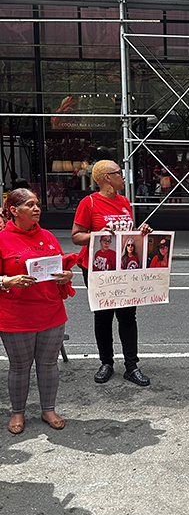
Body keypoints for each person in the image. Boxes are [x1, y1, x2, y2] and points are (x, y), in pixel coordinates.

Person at [71, 159, 152, 387]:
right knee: (103, 317)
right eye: (119, 173)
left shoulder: (124, 201)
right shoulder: (89, 203)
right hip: (99, 267)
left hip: (124, 267)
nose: (123, 177)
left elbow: (127, 233)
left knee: (127, 316)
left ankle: (131, 366)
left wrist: (141, 232)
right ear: (107, 178)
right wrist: (97, 235)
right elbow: (76, 236)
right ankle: (106, 363)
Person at [0, 189, 74, 434]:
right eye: (30, 205)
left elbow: (60, 267)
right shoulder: (2, 239)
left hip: (51, 312)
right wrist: (8, 281)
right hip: (16, 316)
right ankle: (17, 412)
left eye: (37, 204)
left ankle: (48, 409)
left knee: (48, 364)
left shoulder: (48, 236)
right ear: (14, 210)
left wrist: (67, 275)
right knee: (19, 367)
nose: (36, 209)